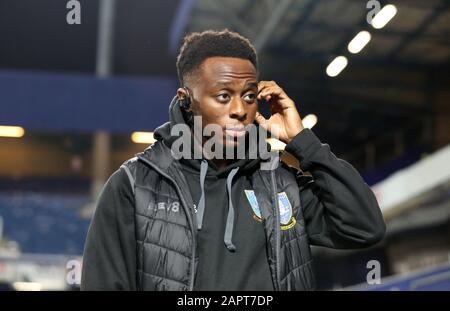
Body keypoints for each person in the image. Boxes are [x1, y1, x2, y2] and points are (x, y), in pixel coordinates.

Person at [81, 29, 385, 291]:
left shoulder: (279, 181)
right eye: (224, 96)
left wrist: (302, 141)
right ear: (187, 100)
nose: (240, 109)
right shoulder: (135, 185)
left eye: (250, 96)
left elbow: (364, 227)